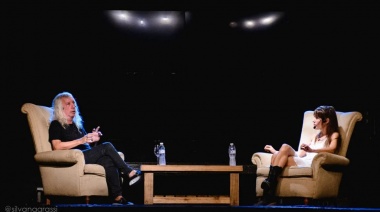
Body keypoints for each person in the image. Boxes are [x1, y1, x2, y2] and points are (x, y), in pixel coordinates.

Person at [48, 91, 141, 205]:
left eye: (74, 103)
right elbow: (56, 146)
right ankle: (128, 171)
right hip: (73, 158)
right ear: (60, 108)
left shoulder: (78, 126)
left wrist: (93, 140)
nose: (73, 106)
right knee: (107, 145)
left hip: (84, 156)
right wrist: (81, 140)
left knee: (108, 160)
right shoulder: (56, 125)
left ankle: (118, 197)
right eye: (68, 104)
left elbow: (86, 146)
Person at [255, 105, 341, 206]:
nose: (314, 120)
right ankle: (270, 187)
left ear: (326, 120)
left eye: (317, 118)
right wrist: (276, 152)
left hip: (312, 163)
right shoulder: (315, 136)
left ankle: (268, 193)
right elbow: (299, 154)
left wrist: (312, 150)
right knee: (283, 148)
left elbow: (332, 149)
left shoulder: (334, 135)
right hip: (302, 160)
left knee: (281, 152)